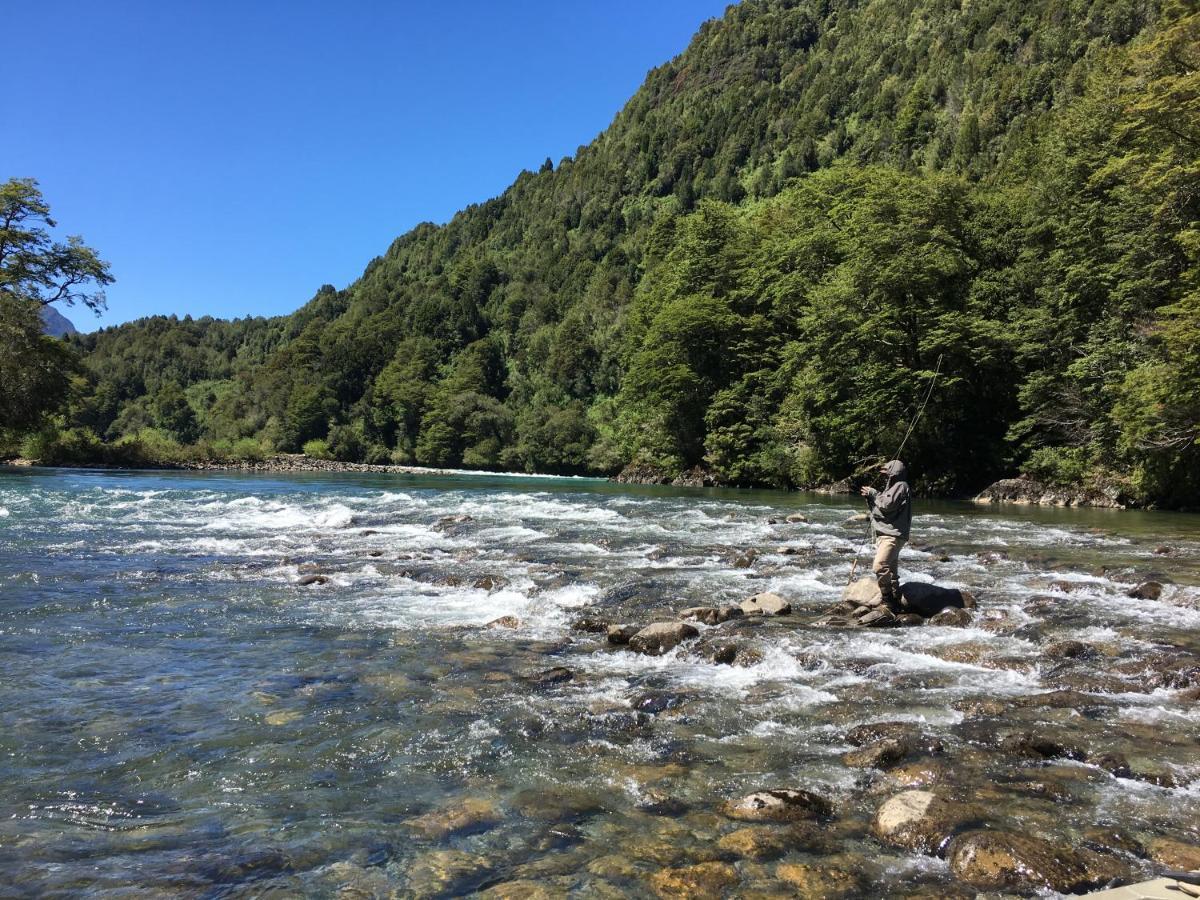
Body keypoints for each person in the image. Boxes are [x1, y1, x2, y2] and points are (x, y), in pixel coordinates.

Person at [858, 460, 912, 612]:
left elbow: (887, 505)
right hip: (886, 534)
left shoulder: (900, 486)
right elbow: (881, 511)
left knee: (880, 566)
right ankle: (896, 601)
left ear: (894, 473)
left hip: (892, 535)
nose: (884, 477)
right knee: (891, 571)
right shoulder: (893, 488)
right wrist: (870, 499)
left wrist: (873, 493)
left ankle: (888, 601)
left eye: (886, 474)